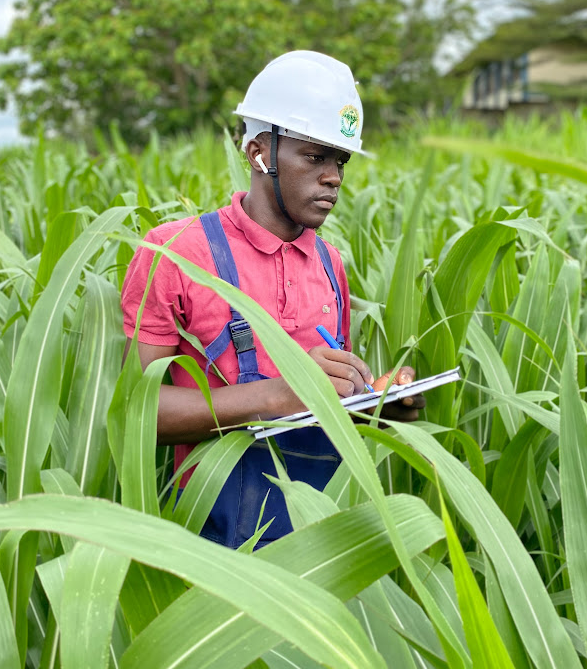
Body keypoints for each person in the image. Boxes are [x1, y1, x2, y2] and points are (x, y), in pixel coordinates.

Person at [121, 50, 424, 549]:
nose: (334, 177)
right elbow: (137, 412)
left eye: (340, 160)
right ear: (259, 152)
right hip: (215, 545)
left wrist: (375, 400)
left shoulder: (330, 264)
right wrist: (276, 395)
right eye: (314, 156)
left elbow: (328, 397)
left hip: (322, 536)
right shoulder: (176, 252)